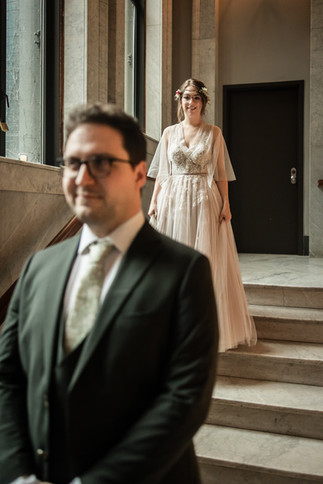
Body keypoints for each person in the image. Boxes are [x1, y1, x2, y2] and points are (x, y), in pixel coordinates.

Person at [0, 103, 218, 484]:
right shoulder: (38, 269)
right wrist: (17, 473)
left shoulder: (186, 273)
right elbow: (7, 378)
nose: (82, 178)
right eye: (73, 163)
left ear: (138, 174)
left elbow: (184, 399)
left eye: (101, 163)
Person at [148, 78, 257, 352]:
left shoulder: (214, 133)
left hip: (203, 199)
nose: (191, 103)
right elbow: (163, 171)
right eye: (187, 97)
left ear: (203, 103)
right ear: (180, 100)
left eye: (196, 98)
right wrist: (153, 202)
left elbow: (220, 173)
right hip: (172, 201)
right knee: (171, 263)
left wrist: (227, 204)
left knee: (205, 263)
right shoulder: (169, 133)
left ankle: (203, 327)